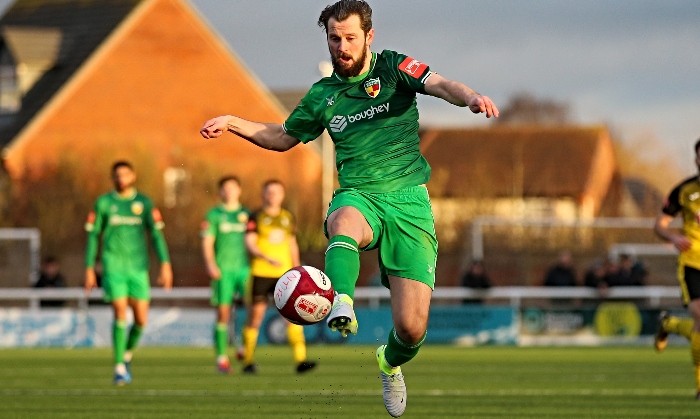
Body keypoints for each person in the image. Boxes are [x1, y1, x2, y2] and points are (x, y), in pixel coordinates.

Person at [199, 1, 498, 415]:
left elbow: (442, 84)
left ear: (368, 37)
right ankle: (342, 300)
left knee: (411, 329)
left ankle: (389, 362)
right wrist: (233, 121)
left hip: (410, 200)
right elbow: (282, 136)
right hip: (358, 192)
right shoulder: (323, 96)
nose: (342, 46)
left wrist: (470, 98)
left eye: (350, 38)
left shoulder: (394, 67)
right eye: (334, 38)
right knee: (343, 221)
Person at [84, 161, 172, 385]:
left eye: (125, 174)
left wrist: (165, 263)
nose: (121, 178)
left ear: (132, 176)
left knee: (141, 319)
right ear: (112, 178)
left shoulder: (143, 203)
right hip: (113, 265)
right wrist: (89, 267)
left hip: (139, 267)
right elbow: (93, 236)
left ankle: (126, 354)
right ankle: (119, 367)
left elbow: (156, 235)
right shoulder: (104, 203)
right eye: (117, 175)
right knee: (120, 310)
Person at [241, 180, 316, 374]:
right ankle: (248, 361)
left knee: (293, 316)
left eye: (277, 192)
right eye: (270, 192)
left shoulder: (287, 217)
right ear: (263, 194)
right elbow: (249, 242)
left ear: (282, 195)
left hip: (285, 277)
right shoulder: (256, 216)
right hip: (261, 273)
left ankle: (301, 360)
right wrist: (265, 257)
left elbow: (292, 243)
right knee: (255, 317)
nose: (273, 195)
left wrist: (298, 269)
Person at [653, 138, 700, 399]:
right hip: (692, 261)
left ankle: (668, 324)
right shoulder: (685, 190)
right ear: (697, 159)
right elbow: (660, 224)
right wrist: (673, 238)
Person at [201, 175, 251, 374]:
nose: (229, 191)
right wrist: (211, 264)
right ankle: (222, 358)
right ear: (220, 191)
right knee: (223, 313)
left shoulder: (248, 214)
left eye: (233, 188)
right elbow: (206, 242)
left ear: (239, 190)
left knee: (251, 310)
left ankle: (243, 346)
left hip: (246, 269)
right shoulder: (214, 215)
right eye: (225, 188)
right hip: (223, 270)